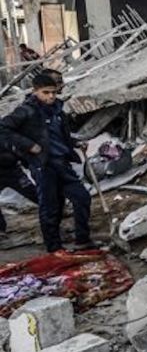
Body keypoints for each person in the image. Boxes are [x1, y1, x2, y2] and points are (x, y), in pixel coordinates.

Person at [0, 72, 91, 252]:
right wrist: (28, 145)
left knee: (82, 197)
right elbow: (3, 128)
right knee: (50, 206)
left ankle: (83, 240)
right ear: (35, 91)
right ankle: (54, 246)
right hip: (43, 165)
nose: (50, 97)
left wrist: (75, 143)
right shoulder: (26, 110)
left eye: (53, 93)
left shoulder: (58, 110)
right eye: (46, 93)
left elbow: (60, 137)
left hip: (62, 163)